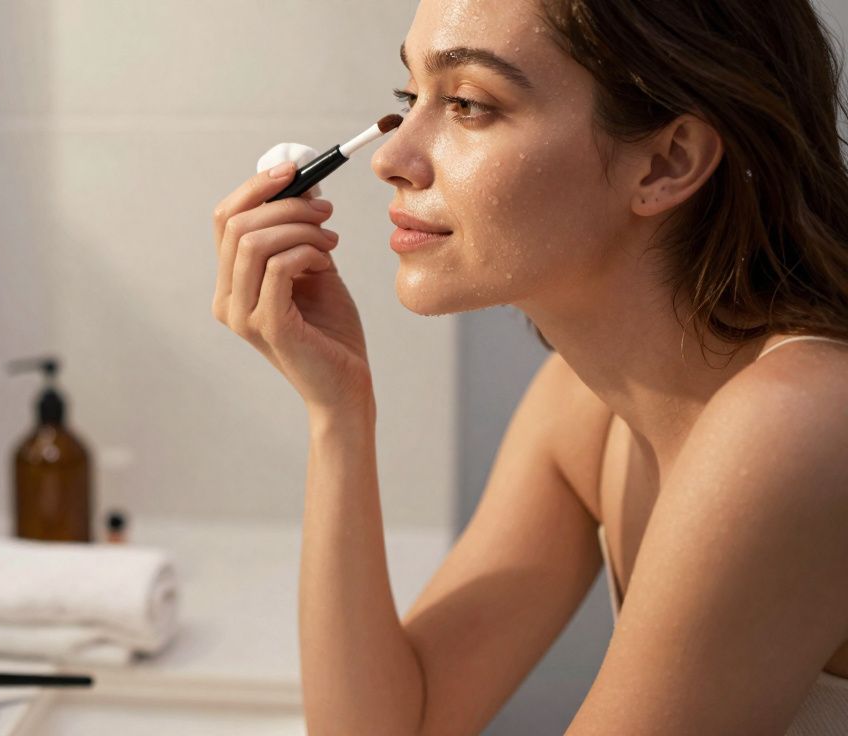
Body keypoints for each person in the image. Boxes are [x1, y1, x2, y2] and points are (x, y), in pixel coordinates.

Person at [210, 0, 848, 733]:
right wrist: (338, 413)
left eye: (469, 104)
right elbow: (399, 725)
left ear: (667, 162)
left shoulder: (800, 421)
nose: (391, 159)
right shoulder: (585, 408)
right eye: (408, 99)